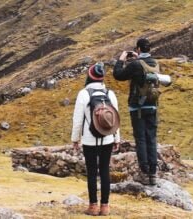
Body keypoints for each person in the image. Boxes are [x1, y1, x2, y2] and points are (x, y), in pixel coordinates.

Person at [71, 62, 120, 216]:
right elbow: (116, 118)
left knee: (92, 172)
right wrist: (116, 138)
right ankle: (105, 206)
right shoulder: (110, 93)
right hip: (107, 138)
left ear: (89, 76)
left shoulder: (84, 94)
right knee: (105, 170)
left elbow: (78, 120)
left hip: (89, 139)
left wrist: (75, 139)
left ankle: (93, 206)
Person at [112, 38, 160, 185]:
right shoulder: (155, 63)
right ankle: (153, 173)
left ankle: (144, 173)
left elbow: (118, 75)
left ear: (138, 49)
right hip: (152, 106)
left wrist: (121, 59)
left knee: (141, 139)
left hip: (137, 107)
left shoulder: (135, 64)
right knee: (151, 138)